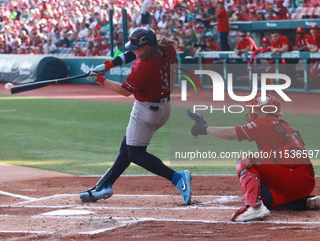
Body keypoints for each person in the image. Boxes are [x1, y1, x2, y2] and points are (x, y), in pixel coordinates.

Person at [79, 27, 192, 205]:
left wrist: (100, 80)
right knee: (127, 149)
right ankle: (104, 185)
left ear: (146, 47)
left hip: (146, 111)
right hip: (164, 108)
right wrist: (110, 64)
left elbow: (125, 91)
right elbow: (133, 53)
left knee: (136, 154)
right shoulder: (165, 47)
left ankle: (177, 177)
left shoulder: (144, 66)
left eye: (136, 46)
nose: (132, 49)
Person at [186, 95, 320, 222]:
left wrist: (204, 128)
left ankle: (254, 208)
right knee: (265, 197)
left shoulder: (267, 123)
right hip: (303, 183)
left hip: (295, 179)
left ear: (265, 111)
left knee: (247, 162)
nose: (252, 113)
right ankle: (307, 202)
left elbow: (230, 133)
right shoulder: (285, 125)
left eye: (255, 109)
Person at [307, 24, 320, 89]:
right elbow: (308, 47)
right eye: (312, 29)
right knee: (312, 75)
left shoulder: (319, 36)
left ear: (318, 30)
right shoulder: (309, 37)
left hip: (318, 60)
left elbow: (317, 49)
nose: (313, 31)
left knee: (313, 75)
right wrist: (314, 48)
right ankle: (316, 88)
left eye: (315, 29)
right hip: (312, 60)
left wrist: (314, 48)